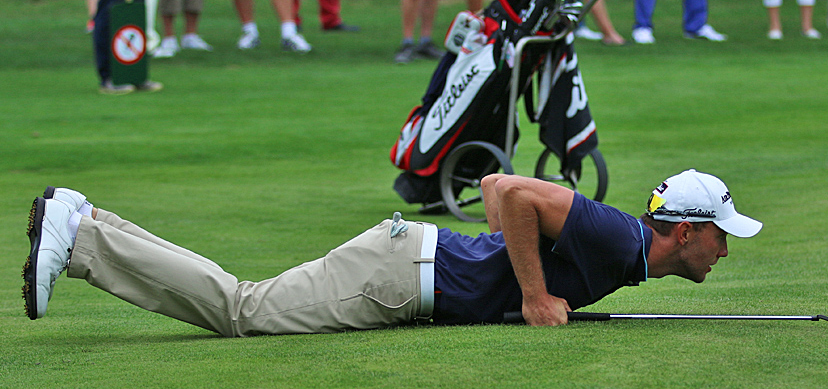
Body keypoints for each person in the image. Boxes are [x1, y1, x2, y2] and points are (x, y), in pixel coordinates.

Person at [23, 169, 761, 333]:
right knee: (241, 310)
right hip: (401, 276)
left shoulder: (630, 254)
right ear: (687, 230)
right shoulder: (620, 235)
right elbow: (506, 189)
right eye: (723, 233)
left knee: (242, 298)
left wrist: (526, 282)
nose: (727, 249)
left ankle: (87, 220)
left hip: (409, 263)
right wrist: (533, 295)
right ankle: (83, 239)